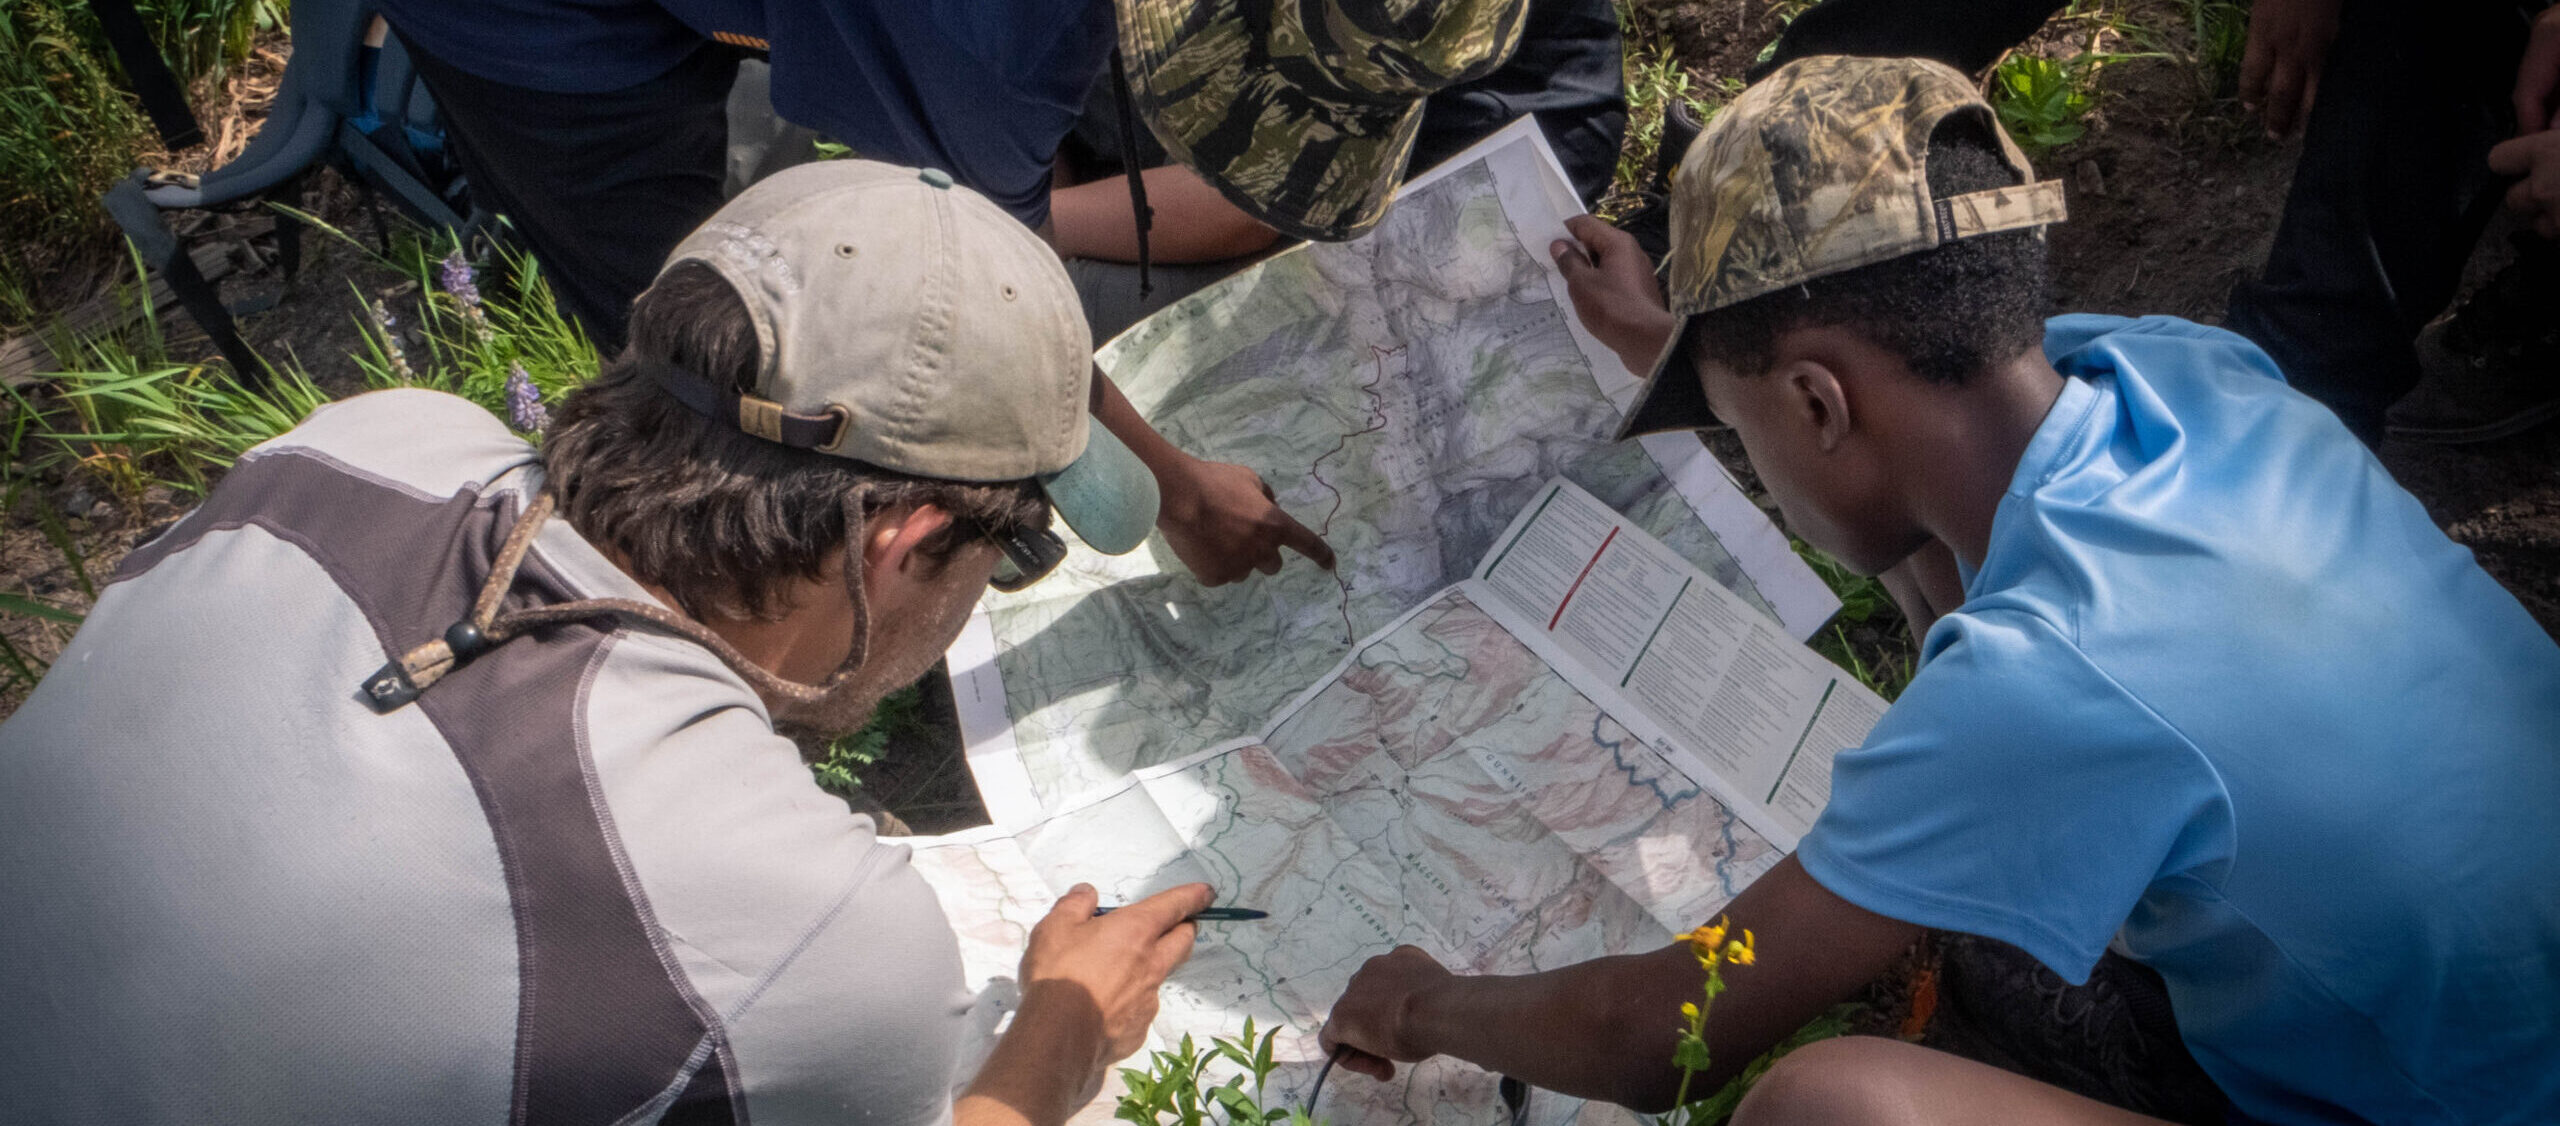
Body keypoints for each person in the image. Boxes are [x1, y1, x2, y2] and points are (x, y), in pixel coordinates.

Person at [1318, 56, 2560, 1124]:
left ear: (1816, 403)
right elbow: (1920, 480)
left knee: (1828, 1105)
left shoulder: (2048, 679)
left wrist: (1419, 999)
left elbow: (1651, 1033)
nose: (1749, 453)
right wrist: (1691, 350)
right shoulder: (2176, 373)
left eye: (1747, 427)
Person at [0, 160, 1215, 1125]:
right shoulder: (811, 932)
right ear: (905, 543)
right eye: (1005, 556)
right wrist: (1058, 1043)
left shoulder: (364, 442)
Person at [368, 0, 1530, 587]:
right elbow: (987, 287)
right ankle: (760, 626)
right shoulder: (1001, 37)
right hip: (531, 18)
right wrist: (1175, 489)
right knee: (710, 341)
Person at [1050, 0, 1628, 340]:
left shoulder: (1378, 31)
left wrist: (1019, 223)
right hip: (1274, 143)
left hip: (1424, 190)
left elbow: (1254, 203)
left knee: (1054, 312)